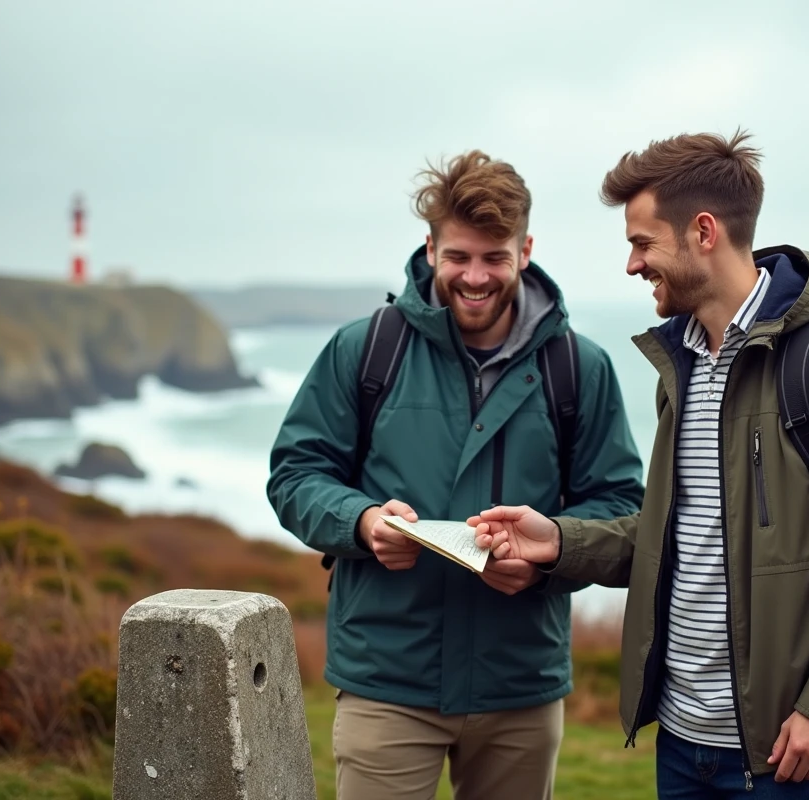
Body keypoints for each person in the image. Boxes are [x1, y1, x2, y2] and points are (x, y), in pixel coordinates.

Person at [470, 130, 809, 799]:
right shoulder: (682, 366)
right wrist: (556, 541)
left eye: (642, 243)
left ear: (703, 231)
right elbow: (680, 535)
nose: (633, 266)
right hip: (683, 741)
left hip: (791, 753)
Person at [265, 149, 644, 800]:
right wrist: (360, 522)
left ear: (525, 250)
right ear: (429, 246)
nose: (475, 276)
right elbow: (296, 472)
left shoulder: (580, 368)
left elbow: (621, 508)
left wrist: (549, 549)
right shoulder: (366, 349)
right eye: (458, 256)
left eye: (494, 257)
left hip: (519, 686)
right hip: (387, 679)